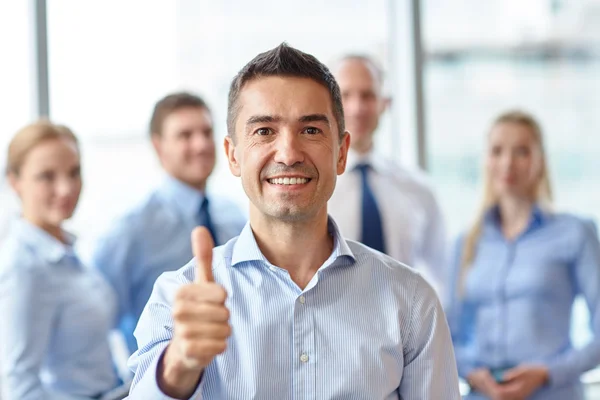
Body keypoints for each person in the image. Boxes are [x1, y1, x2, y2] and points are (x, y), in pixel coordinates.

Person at [126, 43, 460, 399]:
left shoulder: (410, 301)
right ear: (233, 155)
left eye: (311, 131)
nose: (288, 154)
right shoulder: (177, 296)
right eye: (264, 131)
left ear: (342, 152)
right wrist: (179, 365)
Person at [446, 110, 600, 399]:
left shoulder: (575, 233)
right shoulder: (465, 242)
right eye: (497, 151)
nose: (508, 163)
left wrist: (548, 373)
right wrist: (472, 372)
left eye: (522, 152)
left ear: (541, 161)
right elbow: (446, 334)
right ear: (486, 161)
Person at [91, 92, 246, 354]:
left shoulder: (233, 215)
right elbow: (97, 322)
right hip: (167, 382)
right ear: (159, 146)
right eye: (185, 135)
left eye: (207, 132)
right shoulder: (130, 231)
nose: (201, 144)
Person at [0, 121, 120, 399]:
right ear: (15, 181)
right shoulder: (24, 267)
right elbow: (20, 386)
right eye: (47, 176)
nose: (66, 189)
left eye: (73, 173)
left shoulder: (64, 249)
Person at [328, 55, 447, 293]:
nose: (357, 108)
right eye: (346, 95)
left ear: (385, 103)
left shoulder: (419, 189)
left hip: (405, 325)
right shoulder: (311, 189)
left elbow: (442, 276)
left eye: (368, 96)